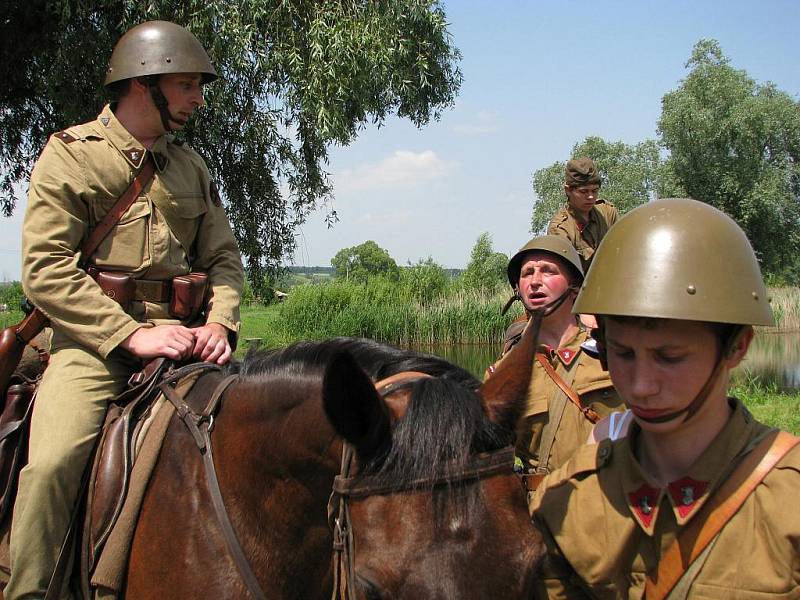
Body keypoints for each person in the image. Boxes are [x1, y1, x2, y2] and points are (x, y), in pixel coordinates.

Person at [6, 21, 244, 599]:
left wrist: (220, 322)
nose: (198, 99)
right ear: (145, 84)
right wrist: (129, 336)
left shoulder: (190, 167)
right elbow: (46, 272)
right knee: (53, 465)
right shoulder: (72, 157)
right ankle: (28, 592)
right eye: (187, 85)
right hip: (92, 347)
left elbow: (225, 259)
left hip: (189, 342)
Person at [531, 198, 799, 598]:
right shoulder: (569, 498)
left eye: (669, 357)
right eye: (622, 354)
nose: (640, 386)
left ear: (737, 347)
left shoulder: (787, 500)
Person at [486, 235, 623, 501]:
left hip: (610, 503)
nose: (535, 281)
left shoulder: (613, 354)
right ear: (518, 288)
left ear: (575, 286)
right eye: (527, 273)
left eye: (548, 271)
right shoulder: (503, 374)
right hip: (541, 513)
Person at [546, 157, 618, 272]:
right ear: (568, 190)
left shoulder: (607, 213)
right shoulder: (560, 229)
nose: (590, 197)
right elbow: (566, 273)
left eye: (594, 191)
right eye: (583, 191)